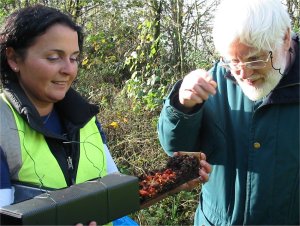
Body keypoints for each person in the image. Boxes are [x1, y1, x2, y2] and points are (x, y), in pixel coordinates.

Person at [157, 0, 299, 225]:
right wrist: (183, 105)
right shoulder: (214, 82)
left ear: (284, 38)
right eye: (233, 61)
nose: (243, 72)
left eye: (255, 58)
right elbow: (176, 151)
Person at [0, 5, 138, 225]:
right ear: (14, 59)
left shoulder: (84, 116)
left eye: (74, 58)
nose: (69, 69)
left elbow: (115, 191)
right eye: (54, 57)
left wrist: (175, 180)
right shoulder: (3, 125)